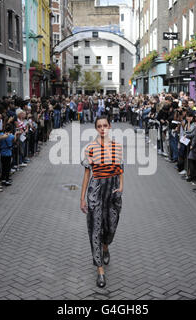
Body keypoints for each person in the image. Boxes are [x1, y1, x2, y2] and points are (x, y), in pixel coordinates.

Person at [80, 115, 124, 288]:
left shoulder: (117, 147)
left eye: (105, 125)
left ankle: (106, 246)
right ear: (96, 128)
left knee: (111, 226)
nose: (103, 128)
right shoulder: (90, 148)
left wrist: (121, 187)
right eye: (99, 126)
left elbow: (121, 169)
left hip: (113, 189)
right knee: (95, 229)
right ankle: (100, 270)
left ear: (110, 126)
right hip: (96, 189)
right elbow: (86, 175)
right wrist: (82, 198)